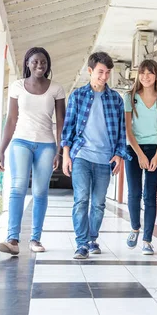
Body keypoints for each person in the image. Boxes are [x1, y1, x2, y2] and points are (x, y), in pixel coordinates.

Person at [0, 47, 66, 255]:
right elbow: (11, 120)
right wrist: (1, 150)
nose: (39, 65)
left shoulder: (56, 89)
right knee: (17, 188)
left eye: (43, 62)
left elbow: (61, 122)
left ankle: (35, 239)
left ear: (48, 64)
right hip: (20, 142)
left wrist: (59, 150)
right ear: (27, 63)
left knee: (40, 191)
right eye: (35, 61)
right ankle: (13, 240)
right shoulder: (17, 87)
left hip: (46, 144)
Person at [61, 51, 128, 259]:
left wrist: (119, 154)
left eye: (107, 73)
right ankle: (81, 244)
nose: (104, 77)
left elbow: (121, 130)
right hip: (81, 155)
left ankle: (92, 239)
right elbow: (68, 127)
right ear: (90, 71)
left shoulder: (115, 99)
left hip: (104, 159)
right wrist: (66, 154)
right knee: (81, 200)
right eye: (100, 72)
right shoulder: (78, 96)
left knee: (98, 203)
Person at [123, 60, 157, 255]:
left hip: (155, 149)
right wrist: (140, 155)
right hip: (133, 149)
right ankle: (135, 227)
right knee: (134, 192)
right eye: (142, 72)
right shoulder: (130, 97)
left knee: (149, 195)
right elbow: (127, 129)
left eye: (150, 73)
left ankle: (147, 240)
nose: (145, 76)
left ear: (156, 75)